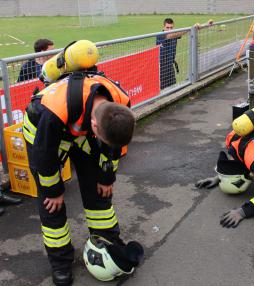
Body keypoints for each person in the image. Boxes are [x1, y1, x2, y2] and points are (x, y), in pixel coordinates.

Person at [23, 49, 139, 285]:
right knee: (51, 204)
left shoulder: (120, 103)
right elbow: (44, 157)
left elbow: (112, 148)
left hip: (78, 131)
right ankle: (61, 261)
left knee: (99, 189)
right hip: (43, 137)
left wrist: (106, 178)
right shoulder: (54, 111)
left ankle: (106, 239)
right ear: (94, 126)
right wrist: (54, 190)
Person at [156, 18, 213, 89]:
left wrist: (206, 24)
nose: (169, 29)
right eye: (167, 27)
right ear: (163, 27)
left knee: (173, 87)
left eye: (171, 27)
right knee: (162, 89)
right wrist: (193, 27)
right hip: (161, 66)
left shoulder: (174, 34)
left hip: (170, 65)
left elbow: (190, 31)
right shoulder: (161, 35)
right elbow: (175, 34)